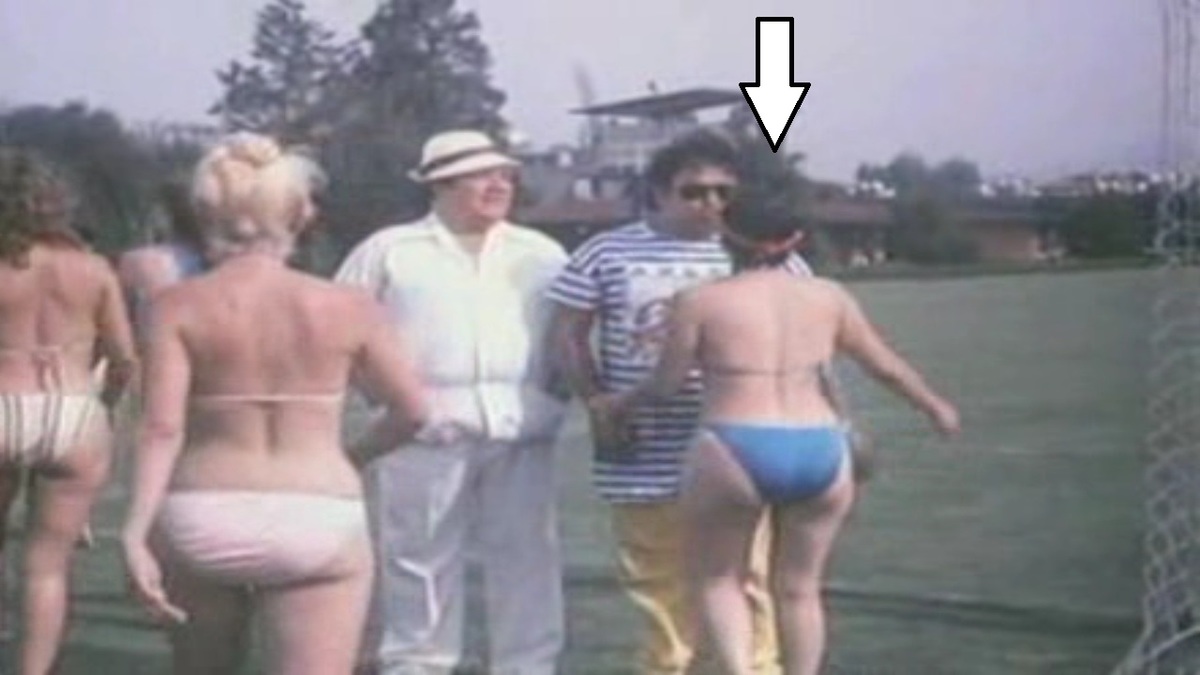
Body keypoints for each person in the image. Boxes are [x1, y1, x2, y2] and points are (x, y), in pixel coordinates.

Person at [598, 196, 960, 675]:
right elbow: (884, 366)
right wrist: (935, 406)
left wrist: (618, 403)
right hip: (820, 445)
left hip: (733, 445)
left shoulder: (701, 300)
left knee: (718, 580)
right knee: (800, 589)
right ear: (795, 239)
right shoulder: (829, 297)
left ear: (725, 235)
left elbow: (666, 384)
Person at [120, 132, 429, 675]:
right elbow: (413, 411)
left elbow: (161, 428)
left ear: (203, 212)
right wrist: (352, 456)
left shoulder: (175, 307)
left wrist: (135, 529)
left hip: (203, 508)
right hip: (317, 508)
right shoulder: (348, 306)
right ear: (302, 213)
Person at [547, 128, 808, 675]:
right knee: (659, 583)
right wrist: (597, 402)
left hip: (740, 445)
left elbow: (806, 337)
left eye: (723, 192)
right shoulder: (607, 253)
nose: (710, 203)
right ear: (659, 192)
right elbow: (568, 333)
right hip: (645, 444)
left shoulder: (761, 251)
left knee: (748, 575)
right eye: (693, 191)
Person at [335, 129, 570, 675]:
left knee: (528, 556)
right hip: (423, 431)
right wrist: (386, 396)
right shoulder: (389, 250)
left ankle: (528, 666)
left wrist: (552, 396)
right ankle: (417, 665)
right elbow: (340, 329)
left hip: (519, 425)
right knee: (418, 558)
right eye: (481, 175)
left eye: (505, 175)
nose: (499, 185)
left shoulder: (541, 253)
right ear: (440, 184)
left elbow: (572, 333)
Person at [0, 147, 138, 675]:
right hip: (72, 409)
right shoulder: (94, 270)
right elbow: (124, 359)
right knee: (46, 568)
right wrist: (104, 407)